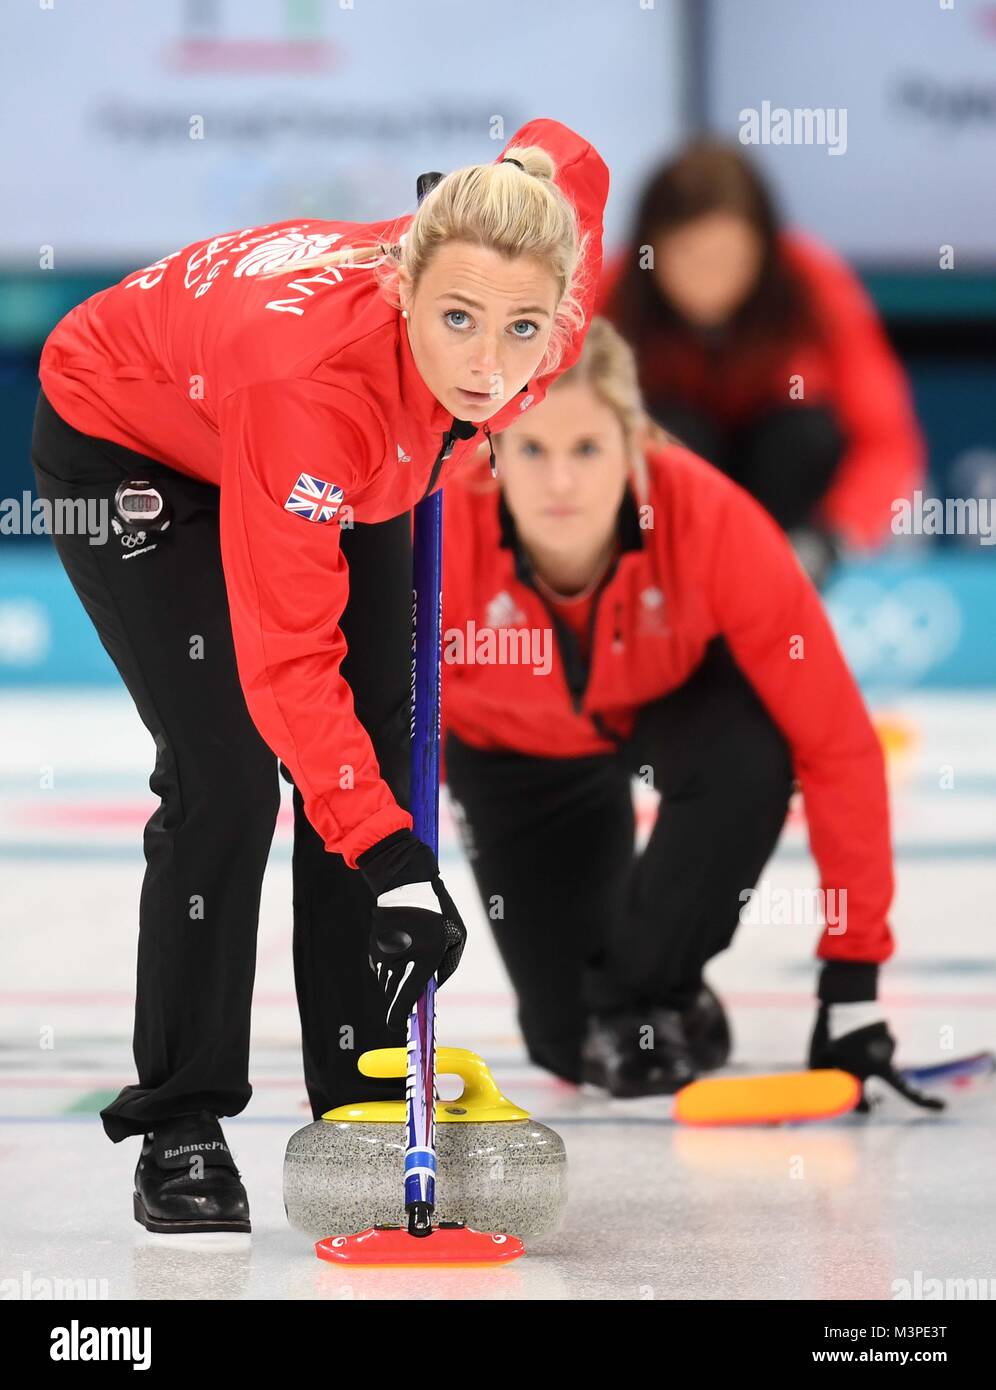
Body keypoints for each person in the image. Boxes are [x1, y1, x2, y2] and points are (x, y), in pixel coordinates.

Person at [31, 118, 610, 1232]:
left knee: (375, 748)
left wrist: (517, 174)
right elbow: (288, 664)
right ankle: (180, 1119)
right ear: (403, 289)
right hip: (134, 430)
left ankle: (359, 1089)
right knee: (226, 770)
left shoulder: (539, 299)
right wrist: (396, 865)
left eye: (521, 328)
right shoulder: (312, 396)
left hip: (348, 432)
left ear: (559, 310)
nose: (488, 366)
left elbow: (566, 153)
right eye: (457, 318)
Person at [438, 316, 941, 1113]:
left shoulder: (710, 520)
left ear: (635, 441)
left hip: (667, 707)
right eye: (531, 449)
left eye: (587, 449)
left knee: (749, 755)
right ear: (488, 447)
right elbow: (372, 717)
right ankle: (662, 1011)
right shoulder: (435, 532)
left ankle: (651, 993)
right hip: (511, 749)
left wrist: (852, 981)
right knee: (570, 1046)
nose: (560, 481)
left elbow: (839, 747)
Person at [596, 140, 925, 586]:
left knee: (801, 435)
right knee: (668, 434)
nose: (709, 280)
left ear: (763, 249)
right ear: (649, 250)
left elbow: (884, 439)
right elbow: (561, 427)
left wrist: (834, 537)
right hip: (667, 536)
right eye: (688, 255)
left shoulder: (813, 284)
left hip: (794, 521)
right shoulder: (613, 296)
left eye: (728, 258)